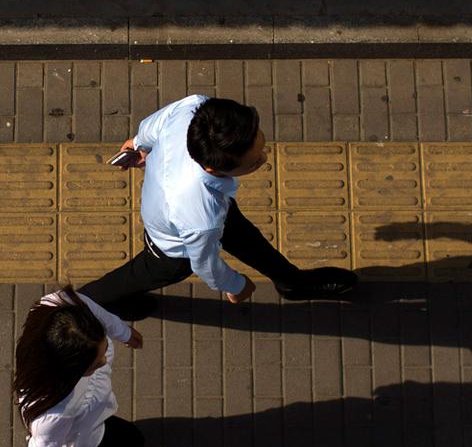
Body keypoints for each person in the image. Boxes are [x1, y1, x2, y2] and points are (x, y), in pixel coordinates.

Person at [80, 95, 356, 319]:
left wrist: (139, 143)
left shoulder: (193, 108)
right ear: (214, 168)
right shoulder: (201, 216)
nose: (265, 157)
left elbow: (154, 125)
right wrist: (236, 285)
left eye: (261, 145)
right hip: (171, 250)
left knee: (251, 241)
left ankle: (292, 283)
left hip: (199, 211)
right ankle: (86, 304)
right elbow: (203, 262)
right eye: (255, 162)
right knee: (137, 276)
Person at [15, 284, 170, 447]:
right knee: (132, 442)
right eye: (96, 362)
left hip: (90, 415)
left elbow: (82, 303)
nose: (104, 362)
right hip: (85, 436)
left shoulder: (57, 307)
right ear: (70, 366)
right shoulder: (53, 413)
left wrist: (120, 330)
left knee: (126, 436)